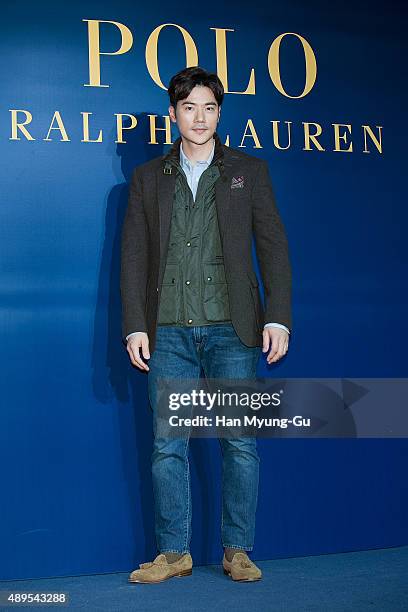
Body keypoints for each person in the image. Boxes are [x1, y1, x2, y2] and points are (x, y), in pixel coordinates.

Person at [120, 66, 292, 583]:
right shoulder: (148, 179)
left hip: (231, 328)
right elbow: (133, 257)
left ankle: (237, 549)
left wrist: (278, 316)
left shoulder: (249, 171)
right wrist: (135, 325)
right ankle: (173, 554)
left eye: (209, 107)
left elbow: (273, 247)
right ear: (173, 115)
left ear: (219, 113)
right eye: (189, 107)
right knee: (167, 443)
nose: (199, 117)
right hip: (168, 328)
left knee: (239, 441)